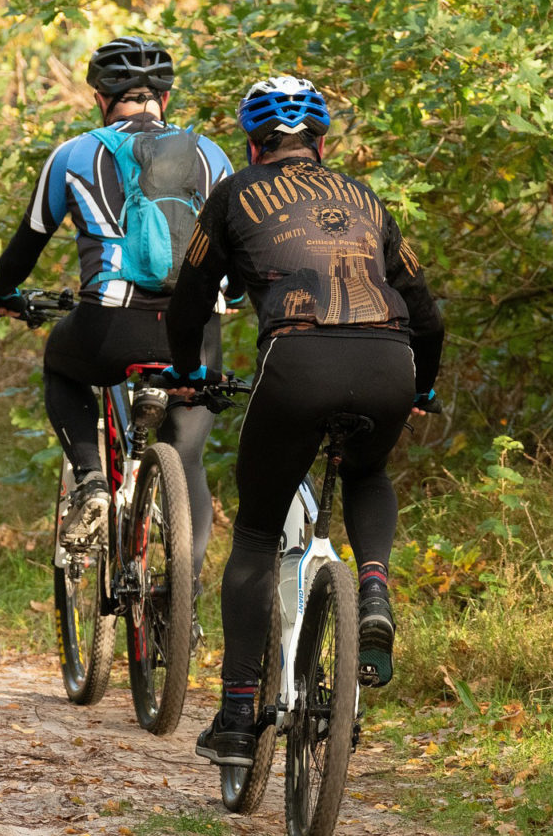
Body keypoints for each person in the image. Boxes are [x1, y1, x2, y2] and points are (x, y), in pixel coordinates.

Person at [164, 76, 444, 764]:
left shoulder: (235, 195)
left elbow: (189, 300)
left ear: (252, 145)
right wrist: (422, 389)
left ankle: (234, 717)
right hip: (389, 356)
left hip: (297, 358)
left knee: (257, 532)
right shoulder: (366, 198)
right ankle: (373, 585)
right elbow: (427, 309)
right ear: (322, 144)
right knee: (368, 469)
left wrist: (189, 374)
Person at [0, 36, 235, 586]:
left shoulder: (74, 154)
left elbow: (27, 245)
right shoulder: (212, 155)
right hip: (196, 329)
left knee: (61, 364)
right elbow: (235, 247)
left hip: (110, 324)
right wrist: (229, 296)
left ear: (100, 97)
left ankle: (92, 481)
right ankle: (178, 599)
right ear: (166, 96)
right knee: (186, 458)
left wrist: (0, 292)